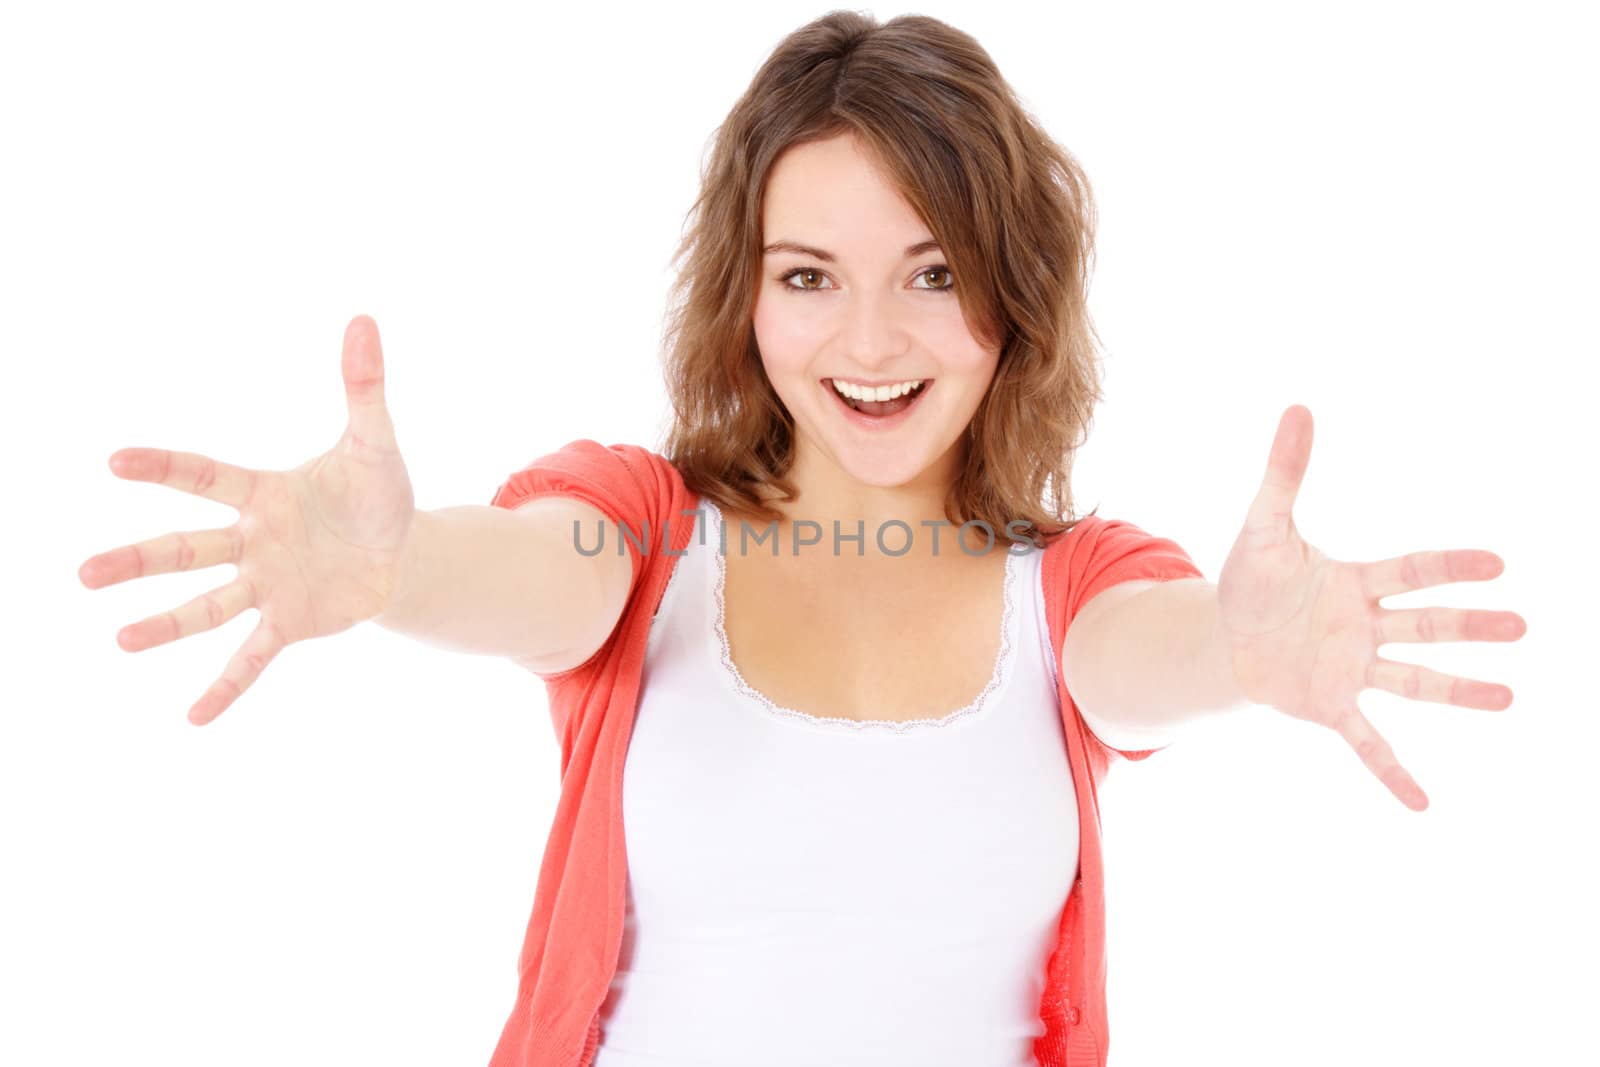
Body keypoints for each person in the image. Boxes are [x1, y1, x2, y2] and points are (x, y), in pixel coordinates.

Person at [75, 11, 1526, 1067]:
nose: (871, 341)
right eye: (810, 275)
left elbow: (1148, 662)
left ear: (1013, 301)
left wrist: (1242, 650)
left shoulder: (1074, 585)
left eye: (935, 271)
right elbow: (535, 579)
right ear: (747, 299)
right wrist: (395, 571)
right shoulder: (642, 530)